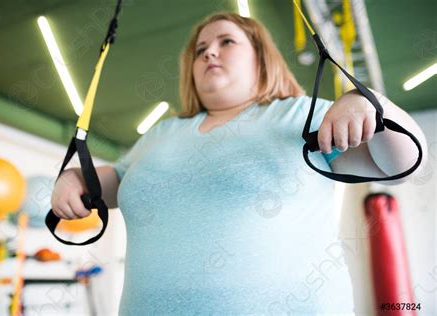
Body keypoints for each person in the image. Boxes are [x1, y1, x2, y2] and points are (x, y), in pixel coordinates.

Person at [51, 12, 428, 315]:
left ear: (261, 57)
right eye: (200, 50)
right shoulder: (161, 133)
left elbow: (403, 163)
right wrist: (73, 177)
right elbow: (113, 180)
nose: (209, 53)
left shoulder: (300, 115)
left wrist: (369, 102)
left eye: (226, 42)